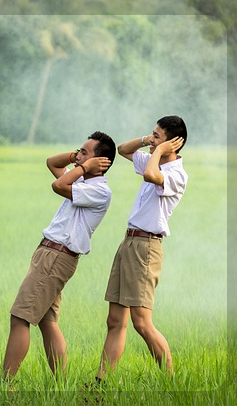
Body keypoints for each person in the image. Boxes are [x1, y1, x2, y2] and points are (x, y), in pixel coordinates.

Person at [2, 131, 116, 379]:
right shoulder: (83, 182)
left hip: (56, 256)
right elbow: (51, 163)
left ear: (100, 162)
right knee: (47, 321)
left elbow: (58, 185)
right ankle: (60, 384)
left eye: (85, 152)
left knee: (20, 318)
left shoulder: (99, 191)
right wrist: (78, 158)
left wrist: (83, 166)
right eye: (79, 151)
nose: (78, 156)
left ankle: (4, 386)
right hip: (51, 254)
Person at [95, 115, 187, 382]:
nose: (151, 139)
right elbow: (123, 149)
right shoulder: (153, 159)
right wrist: (150, 141)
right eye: (152, 134)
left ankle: (172, 382)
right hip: (129, 242)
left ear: (172, 144)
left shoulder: (176, 174)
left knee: (142, 323)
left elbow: (150, 175)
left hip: (147, 247)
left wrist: (158, 150)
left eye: (157, 135)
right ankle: (101, 383)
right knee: (115, 320)